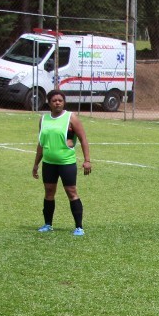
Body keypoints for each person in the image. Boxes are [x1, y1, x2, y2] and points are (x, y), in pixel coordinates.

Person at [32, 90, 91, 236]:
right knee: (49, 192)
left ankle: (79, 227)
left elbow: (83, 139)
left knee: (71, 192)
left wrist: (87, 160)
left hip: (66, 162)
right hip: (49, 163)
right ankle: (48, 224)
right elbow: (41, 143)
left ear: (64, 102)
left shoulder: (71, 117)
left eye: (60, 100)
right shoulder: (44, 119)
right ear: (49, 103)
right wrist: (36, 164)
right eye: (54, 100)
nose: (57, 102)